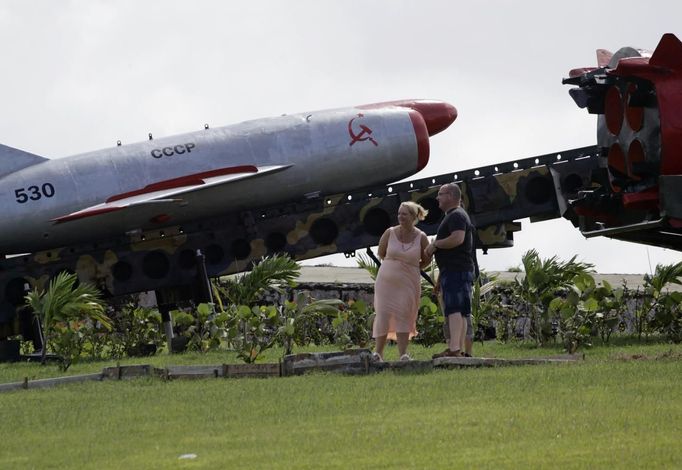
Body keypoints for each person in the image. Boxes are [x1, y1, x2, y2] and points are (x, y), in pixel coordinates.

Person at [372, 201, 431, 362]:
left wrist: (410, 267)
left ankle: (403, 354)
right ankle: (378, 353)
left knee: (404, 314)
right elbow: (382, 252)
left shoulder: (421, 237)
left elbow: (426, 259)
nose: (400, 217)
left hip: (408, 282)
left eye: (404, 214)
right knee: (383, 313)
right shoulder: (389, 232)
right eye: (399, 214)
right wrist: (394, 265)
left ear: (413, 217)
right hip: (386, 282)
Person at [425, 183, 476, 358]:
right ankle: (458, 349)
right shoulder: (457, 215)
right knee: (460, 311)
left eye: (440, 194)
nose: (437, 198)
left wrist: (435, 245)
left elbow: (457, 238)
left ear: (451, 196)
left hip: (456, 270)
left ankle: (454, 349)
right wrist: (440, 280)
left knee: (454, 310)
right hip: (455, 270)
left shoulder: (456, 215)